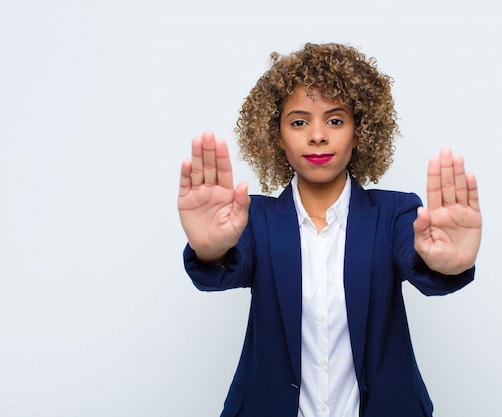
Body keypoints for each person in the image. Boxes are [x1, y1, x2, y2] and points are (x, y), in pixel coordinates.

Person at [178, 43, 482, 417]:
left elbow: (423, 261)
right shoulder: (254, 218)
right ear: (277, 135)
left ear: (360, 131)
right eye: (299, 121)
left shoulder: (395, 212)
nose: (318, 135)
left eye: (335, 120)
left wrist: (447, 265)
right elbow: (222, 269)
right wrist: (210, 249)